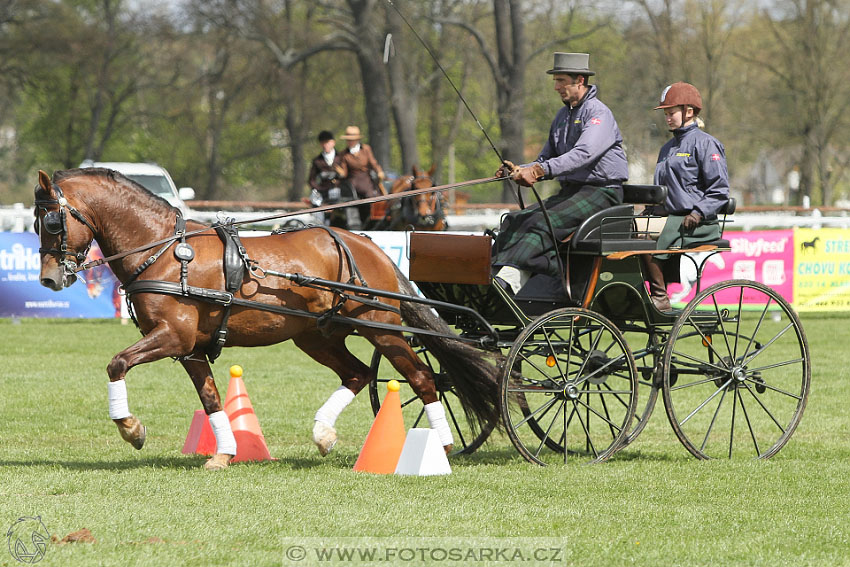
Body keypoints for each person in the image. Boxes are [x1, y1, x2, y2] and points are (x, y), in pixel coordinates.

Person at [492, 52, 629, 293]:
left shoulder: (598, 114)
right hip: (572, 192)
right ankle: (496, 272)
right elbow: (546, 158)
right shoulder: (562, 116)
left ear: (580, 80)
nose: (556, 87)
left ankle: (514, 281)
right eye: (555, 81)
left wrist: (538, 170)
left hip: (602, 193)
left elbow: (583, 154)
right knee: (514, 219)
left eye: (561, 81)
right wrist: (520, 169)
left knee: (539, 221)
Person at [644, 82, 730, 311]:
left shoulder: (706, 144)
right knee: (629, 230)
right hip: (670, 219)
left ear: (689, 111)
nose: (667, 118)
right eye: (665, 114)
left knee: (646, 238)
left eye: (671, 113)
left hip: (697, 223)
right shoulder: (667, 148)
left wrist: (698, 212)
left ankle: (660, 297)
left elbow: (720, 190)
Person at [335, 125, 386, 229]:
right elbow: (344, 173)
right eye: (348, 140)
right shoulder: (344, 154)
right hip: (353, 179)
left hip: (366, 177)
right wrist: (339, 171)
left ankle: (373, 220)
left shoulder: (366, 149)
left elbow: (373, 163)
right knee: (352, 195)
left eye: (352, 140)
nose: (350, 142)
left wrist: (379, 171)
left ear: (357, 140)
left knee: (371, 195)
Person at [307, 130, 343, 226]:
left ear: (333, 142)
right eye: (322, 143)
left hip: (340, 194)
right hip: (323, 195)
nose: (325, 145)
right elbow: (311, 180)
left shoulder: (341, 158)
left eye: (327, 142)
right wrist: (319, 190)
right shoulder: (317, 161)